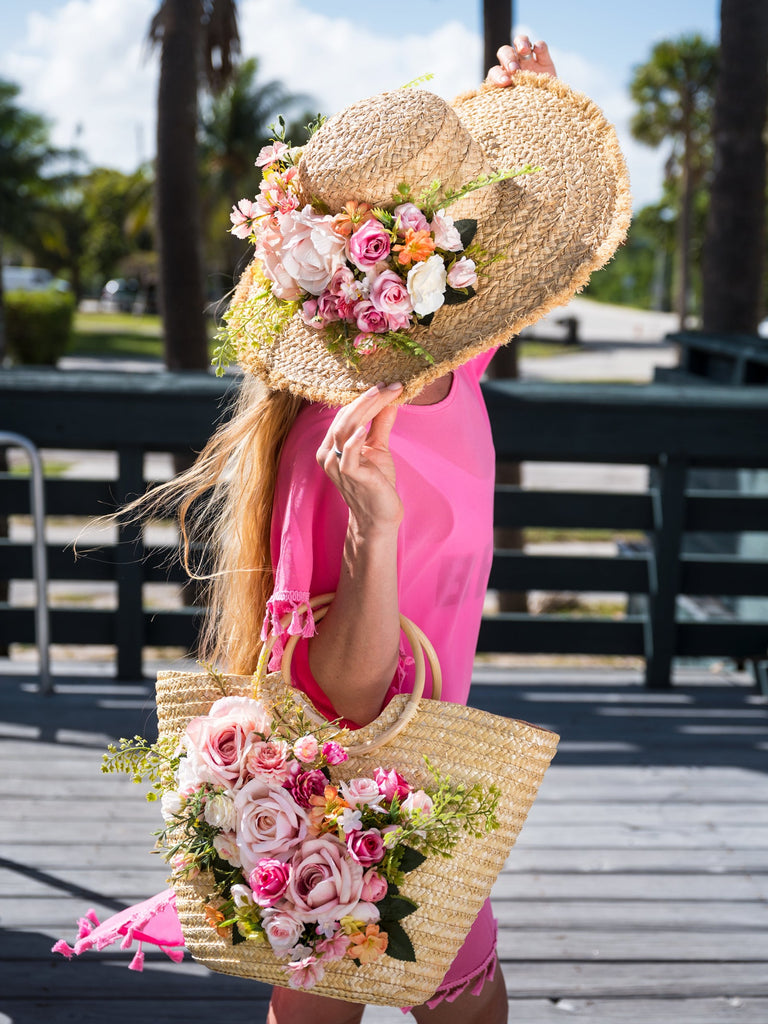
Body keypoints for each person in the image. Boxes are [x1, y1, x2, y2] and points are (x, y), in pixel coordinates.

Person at [54, 34, 628, 1024]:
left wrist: (524, 111)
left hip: (410, 776)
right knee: (413, 995)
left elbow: (494, 298)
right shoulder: (343, 450)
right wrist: (374, 529)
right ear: (425, 253)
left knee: (326, 996)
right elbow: (340, 691)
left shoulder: (442, 357)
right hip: (368, 802)